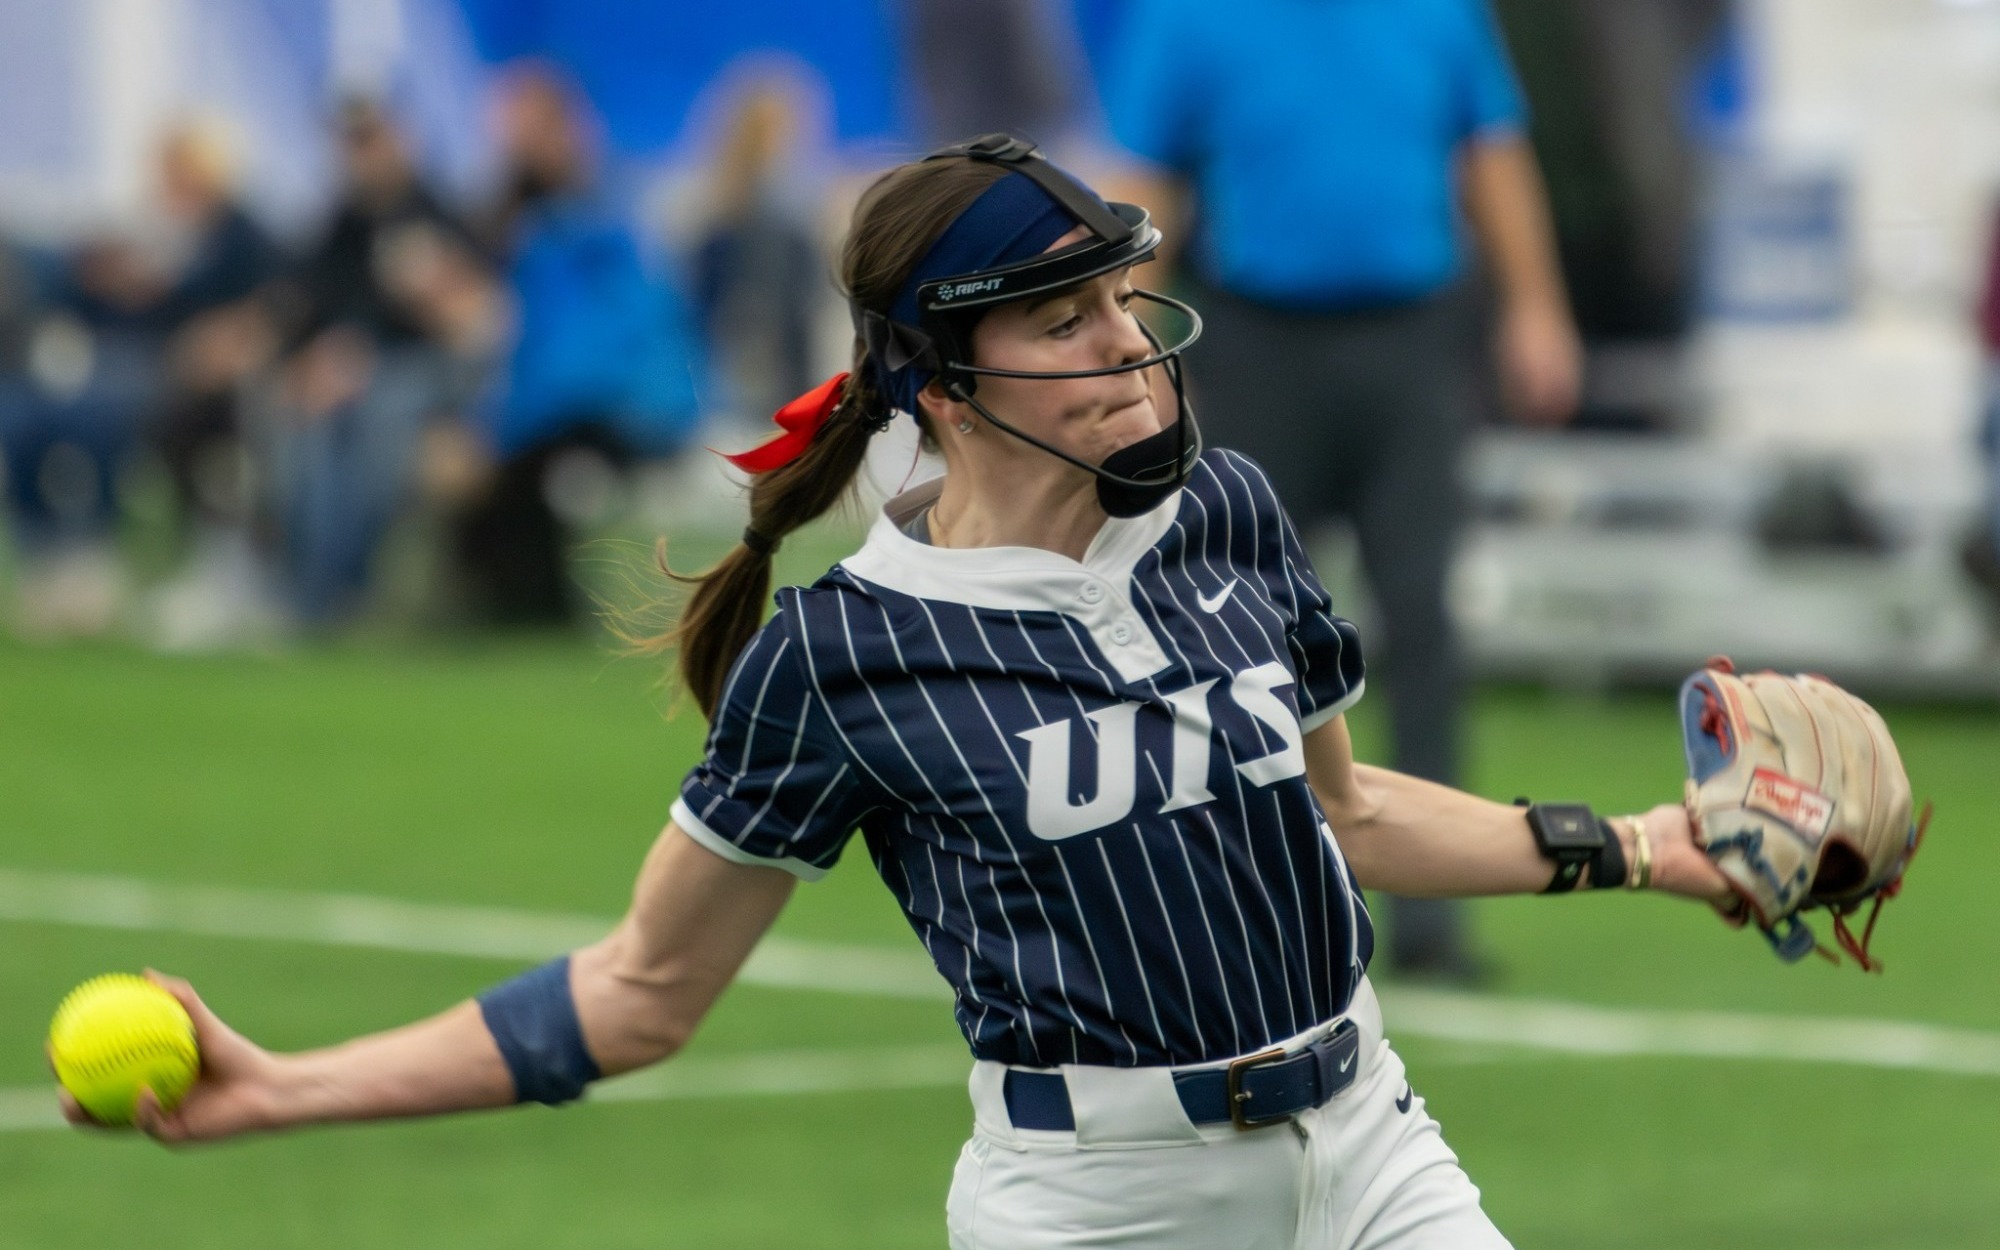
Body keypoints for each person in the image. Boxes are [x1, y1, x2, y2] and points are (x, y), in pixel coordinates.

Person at [69, 138, 1730, 1250]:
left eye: (1124, 301)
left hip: (1369, 1145)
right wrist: (286, 1087)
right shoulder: (840, 655)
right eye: (1064, 320)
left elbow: (1346, 809)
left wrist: (1653, 844)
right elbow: (640, 993)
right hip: (1097, 1203)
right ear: (940, 384)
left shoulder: (1224, 509)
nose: (1130, 349)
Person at [1101, 0, 1585, 981]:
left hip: (1411, 345)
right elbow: (1145, 188)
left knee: (1420, 620)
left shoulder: (1438, 11)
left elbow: (1489, 155)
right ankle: (1240, 908)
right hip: (1257, 344)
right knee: (1234, 636)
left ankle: (1429, 919)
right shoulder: (1187, 18)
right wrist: (1124, 346)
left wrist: (1536, 307)